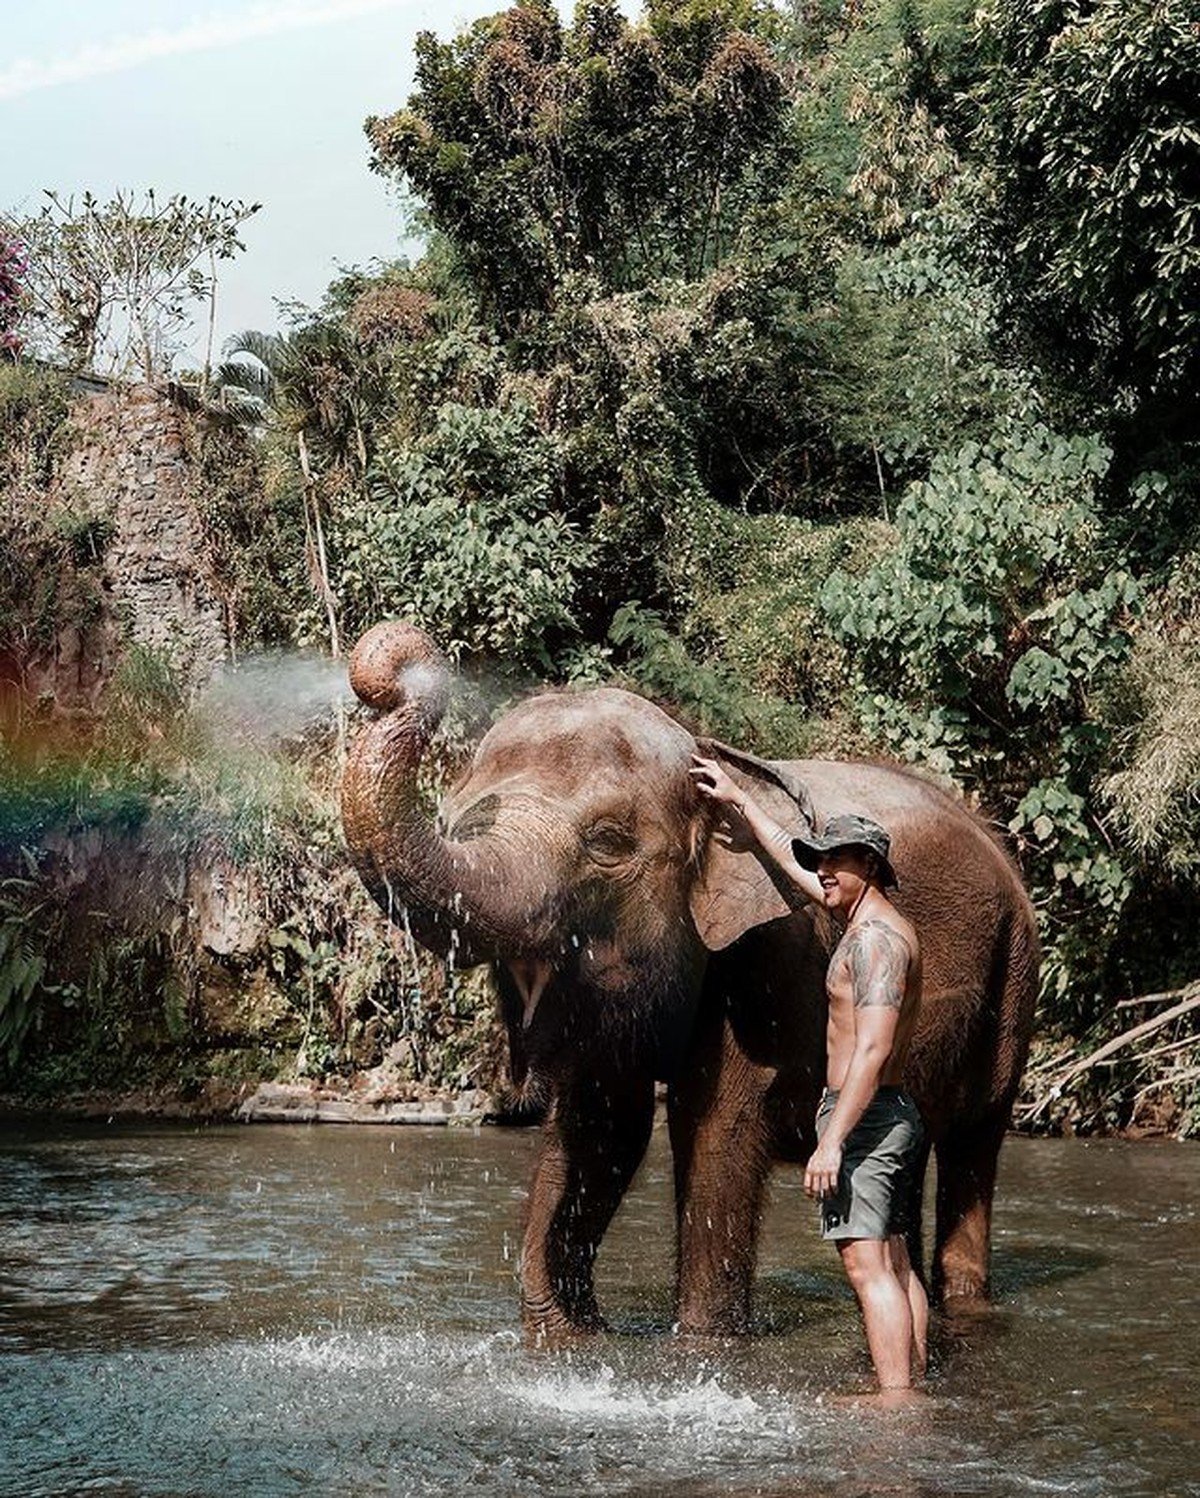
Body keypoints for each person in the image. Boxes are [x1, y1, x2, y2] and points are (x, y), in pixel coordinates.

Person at [689, 754, 928, 1395]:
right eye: (819, 857)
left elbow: (872, 1051)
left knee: (866, 1265)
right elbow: (797, 871)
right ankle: (914, 1385)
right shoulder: (863, 921)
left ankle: (896, 1404)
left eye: (835, 860)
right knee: (898, 1260)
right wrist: (741, 801)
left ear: (871, 867)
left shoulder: (877, 942)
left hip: (866, 1118)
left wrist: (831, 1141)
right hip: (889, 1115)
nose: (822, 868)